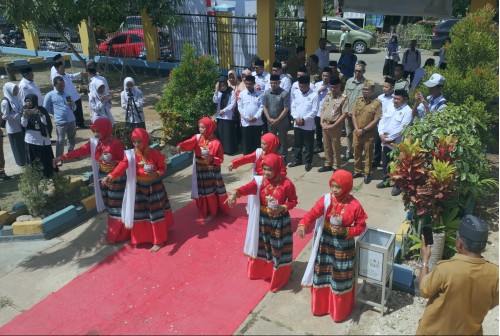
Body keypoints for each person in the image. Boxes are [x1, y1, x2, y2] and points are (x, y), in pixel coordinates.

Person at [297, 169, 367, 322]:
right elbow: (313, 213)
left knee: (339, 275)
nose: (334, 190)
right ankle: (321, 306)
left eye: (338, 187)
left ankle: (338, 311)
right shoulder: (326, 200)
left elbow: (361, 225)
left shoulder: (354, 205)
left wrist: (347, 230)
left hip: (344, 246)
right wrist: (303, 224)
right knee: (323, 271)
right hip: (326, 243)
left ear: (347, 187)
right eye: (332, 186)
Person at [227, 153, 298, 292]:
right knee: (264, 246)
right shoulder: (260, 181)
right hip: (263, 219)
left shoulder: (287, 184)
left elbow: (293, 201)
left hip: (280, 221)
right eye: (264, 169)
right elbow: (248, 188)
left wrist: (282, 208)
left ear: (277, 168)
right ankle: (264, 272)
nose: (266, 173)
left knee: (278, 248)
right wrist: (235, 193)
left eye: (269, 169)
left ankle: (279, 277)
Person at [416, 215, 498, 335]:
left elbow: (424, 290)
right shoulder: (494, 273)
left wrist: (425, 260)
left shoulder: (445, 269)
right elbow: (491, 303)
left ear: (459, 243)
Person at [55, 118, 131, 244]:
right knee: (108, 205)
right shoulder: (96, 143)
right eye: (94, 131)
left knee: (115, 206)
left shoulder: (116, 144)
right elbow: (81, 151)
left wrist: (113, 167)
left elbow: (125, 162)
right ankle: (121, 232)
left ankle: (115, 236)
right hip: (102, 176)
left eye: (99, 131)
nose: (96, 134)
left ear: (106, 130)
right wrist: (62, 157)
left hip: (116, 178)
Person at [104, 128, 174, 252]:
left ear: (146, 140)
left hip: (154, 187)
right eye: (134, 141)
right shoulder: (130, 155)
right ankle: (143, 237)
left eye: (139, 142)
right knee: (141, 213)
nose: (137, 144)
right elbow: (121, 166)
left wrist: (156, 174)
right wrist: (111, 176)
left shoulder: (154, 154)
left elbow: (163, 168)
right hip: (139, 187)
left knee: (155, 213)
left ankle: (159, 240)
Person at [176, 117, 230, 222]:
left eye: (203, 127)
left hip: (211, 172)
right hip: (200, 171)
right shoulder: (198, 138)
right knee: (202, 192)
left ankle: (213, 212)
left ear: (209, 128)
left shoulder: (216, 143)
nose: (200, 129)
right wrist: (180, 145)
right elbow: (189, 143)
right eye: (199, 127)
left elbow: (220, 159)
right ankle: (204, 210)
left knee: (210, 193)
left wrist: (212, 159)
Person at [376, 89, 413, 196]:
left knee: (398, 166)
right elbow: (382, 121)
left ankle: (398, 185)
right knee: (385, 164)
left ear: (405, 99)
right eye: (394, 98)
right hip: (385, 142)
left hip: (397, 144)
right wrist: (381, 135)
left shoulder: (408, 111)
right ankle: (386, 180)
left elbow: (402, 128)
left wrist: (389, 139)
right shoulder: (390, 106)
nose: (395, 101)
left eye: (398, 99)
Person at [351, 80, 382, 184]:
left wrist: (364, 130)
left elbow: (376, 119)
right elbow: (354, 115)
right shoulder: (358, 100)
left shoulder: (376, 103)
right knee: (357, 152)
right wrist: (356, 129)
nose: (364, 91)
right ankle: (357, 170)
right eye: (363, 89)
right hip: (357, 132)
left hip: (368, 133)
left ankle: (367, 173)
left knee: (368, 154)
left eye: (367, 90)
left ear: (372, 91)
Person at [21, 94, 57, 178]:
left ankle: (48, 173)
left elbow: (46, 123)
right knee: (34, 159)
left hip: (42, 138)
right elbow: (23, 124)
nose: (28, 103)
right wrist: (24, 116)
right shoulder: (24, 109)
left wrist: (40, 114)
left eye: (30, 101)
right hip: (30, 139)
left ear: (34, 101)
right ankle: (36, 176)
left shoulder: (42, 109)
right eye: (27, 101)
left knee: (45, 157)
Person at [318, 77, 347, 173]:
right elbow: (323, 110)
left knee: (335, 147)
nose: (332, 89)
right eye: (331, 87)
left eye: (334, 87)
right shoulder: (328, 95)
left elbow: (344, 114)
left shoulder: (343, 98)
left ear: (339, 87)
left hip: (335, 126)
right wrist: (321, 122)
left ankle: (337, 166)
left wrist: (334, 126)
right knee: (326, 146)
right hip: (325, 125)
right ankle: (328, 163)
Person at [44, 76, 77, 159]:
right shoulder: (50, 95)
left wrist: (72, 104)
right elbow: (46, 107)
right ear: (54, 85)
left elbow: (74, 108)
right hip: (61, 122)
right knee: (60, 141)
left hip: (71, 120)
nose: (62, 87)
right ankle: (59, 158)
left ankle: (71, 154)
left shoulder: (67, 94)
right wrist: (55, 113)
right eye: (60, 85)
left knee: (71, 139)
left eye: (63, 85)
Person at [51, 61, 87, 129]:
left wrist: (80, 74)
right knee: (74, 112)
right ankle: (75, 125)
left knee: (79, 111)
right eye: (62, 68)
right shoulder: (57, 78)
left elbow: (72, 76)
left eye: (63, 67)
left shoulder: (65, 74)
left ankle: (81, 124)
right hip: (69, 97)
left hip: (75, 95)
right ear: (57, 69)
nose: (64, 68)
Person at [343, 63, 366, 161]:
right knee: (348, 134)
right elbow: (344, 96)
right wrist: (346, 110)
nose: (357, 72)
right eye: (355, 70)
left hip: (359, 115)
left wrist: (355, 112)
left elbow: (366, 100)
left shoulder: (366, 83)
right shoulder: (349, 81)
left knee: (359, 135)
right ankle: (349, 151)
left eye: (359, 71)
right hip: (348, 114)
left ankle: (359, 153)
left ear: (364, 72)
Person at [263, 74, 290, 159]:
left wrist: (278, 120)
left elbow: (286, 109)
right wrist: (268, 118)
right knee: (271, 140)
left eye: (275, 83)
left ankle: (283, 157)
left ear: (279, 83)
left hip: (282, 122)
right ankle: (272, 156)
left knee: (282, 140)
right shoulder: (267, 93)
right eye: (271, 83)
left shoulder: (284, 94)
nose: (273, 85)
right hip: (270, 121)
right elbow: (265, 107)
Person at [237, 75, 264, 155]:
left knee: (256, 140)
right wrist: (247, 118)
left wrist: (256, 117)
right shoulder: (242, 94)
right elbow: (240, 107)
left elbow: (261, 107)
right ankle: (247, 156)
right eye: (247, 84)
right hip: (246, 122)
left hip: (257, 122)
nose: (248, 85)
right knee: (246, 141)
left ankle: (256, 156)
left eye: (250, 84)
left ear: (254, 83)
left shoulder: (260, 94)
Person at [1, 82, 26, 166]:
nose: (16, 91)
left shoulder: (16, 98)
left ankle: (25, 160)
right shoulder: (5, 102)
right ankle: (20, 162)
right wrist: (17, 115)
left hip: (20, 125)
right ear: (9, 90)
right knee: (17, 146)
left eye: (16, 89)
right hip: (13, 128)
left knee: (22, 144)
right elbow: (4, 116)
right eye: (14, 90)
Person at [373, 76, 396, 168]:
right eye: (383, 86)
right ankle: (376, 160)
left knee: (387, 145)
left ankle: (388, 163)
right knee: (377, 143)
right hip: (379, 123)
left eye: (386, 87)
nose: (384, 88)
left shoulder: (395, 98)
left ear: (392, 88)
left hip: (389, 125)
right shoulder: (380, 97)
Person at [213, 76, 237, 155]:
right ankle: (221, 150)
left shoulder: (231, 91)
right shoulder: (218, 92)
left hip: (227, 116)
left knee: (228, 134)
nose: (222, 87)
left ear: (226, 84)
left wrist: (224, 110)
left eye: (223, 85)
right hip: (219, 116)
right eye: (220, 86)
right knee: (221, 133)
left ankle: (229, 150)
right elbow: (215, 100)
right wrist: (216, 90)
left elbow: (233, 104)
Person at [313, 67, 331, 154]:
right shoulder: (317, 85)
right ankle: (319, 145)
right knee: (318, 130)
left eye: (327, 76)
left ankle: (328, 146)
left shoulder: (332, 87)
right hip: (318, 112)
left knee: (327, 131)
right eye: (323, 75)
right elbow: (312, 96)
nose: (325, 77)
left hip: (328, 113)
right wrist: (319, 91)